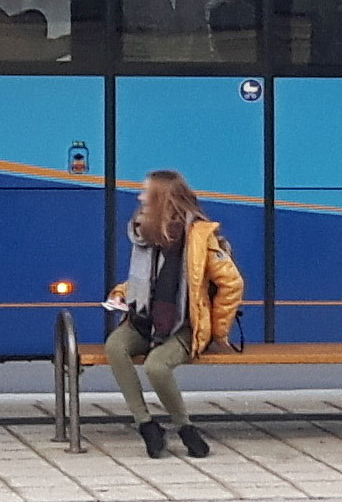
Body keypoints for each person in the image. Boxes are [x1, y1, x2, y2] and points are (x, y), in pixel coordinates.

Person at [104, 169, 245, 460]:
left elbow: (231, 283)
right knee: (115, 347)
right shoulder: (145, 233)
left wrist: (217, 331)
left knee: (157, 366)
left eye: (146, 192)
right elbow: (145, 280)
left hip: (184, 324)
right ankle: (146, 424)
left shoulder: (199, 238)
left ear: (162, 199)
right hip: (144, 319)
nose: (140, 197)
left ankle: (185, 427)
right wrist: (122, 293)